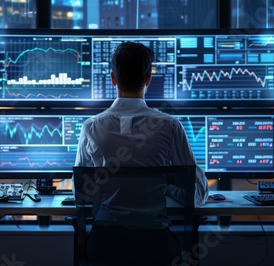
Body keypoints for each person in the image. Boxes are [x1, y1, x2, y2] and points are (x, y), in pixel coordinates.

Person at [74, 41, 209, 265]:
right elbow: (197, 193)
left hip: (105, 246)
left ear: (113, 79)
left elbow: (83, 194)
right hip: (156, 247)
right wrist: (166, 187)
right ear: (148, 80)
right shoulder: (170, 126)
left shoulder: (91, 127)